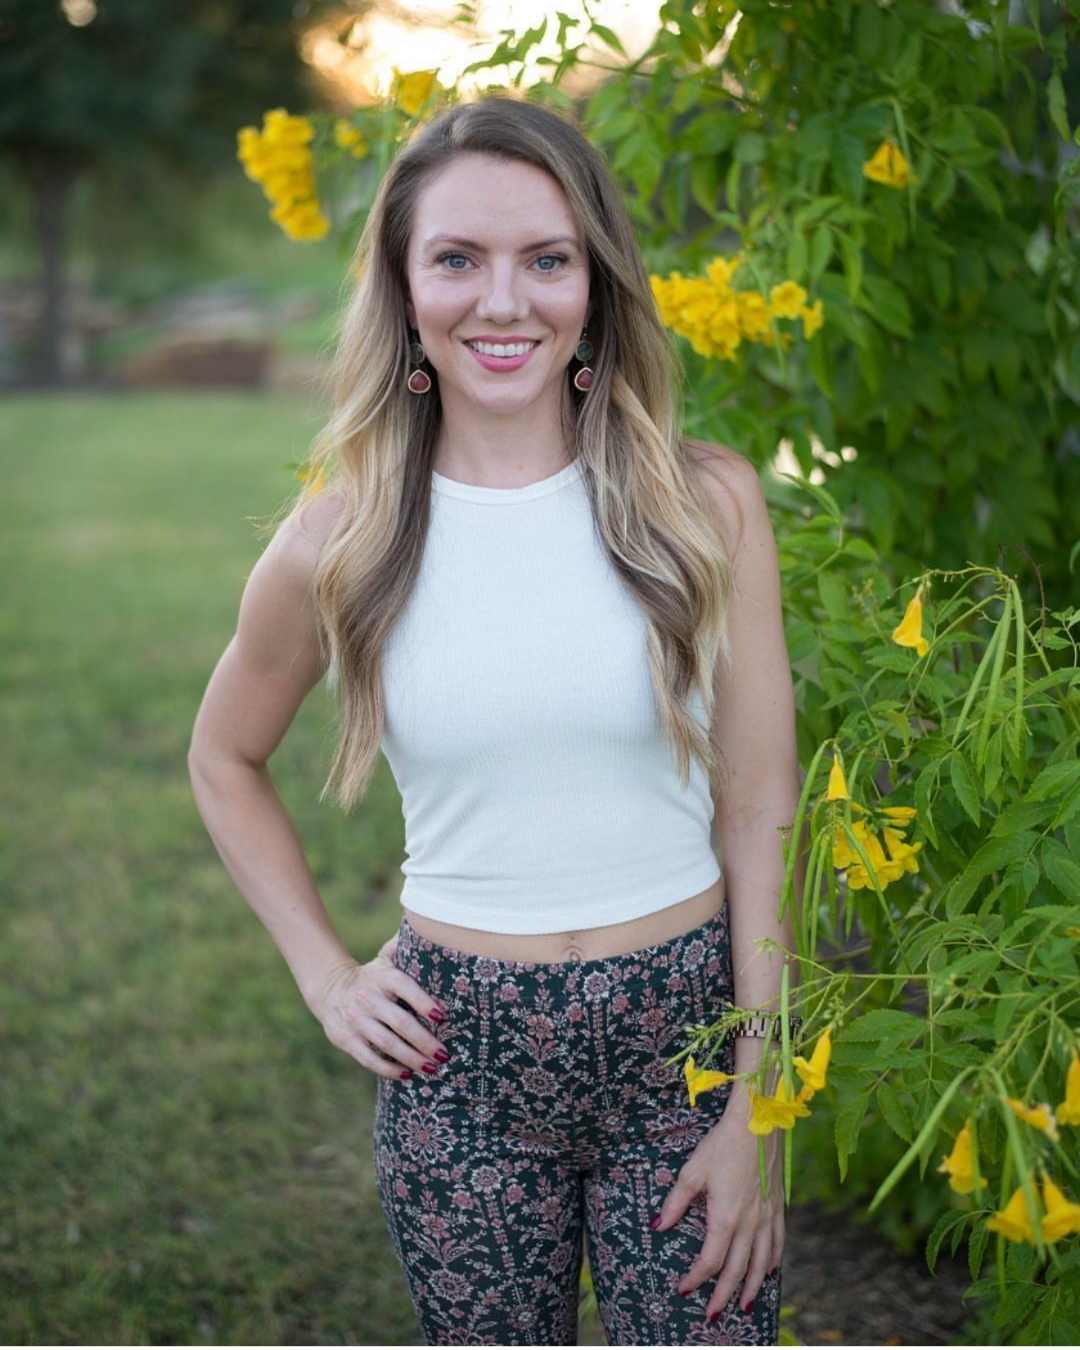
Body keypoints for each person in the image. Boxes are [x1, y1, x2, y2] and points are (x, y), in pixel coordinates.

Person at [188, 94, 804, 1346]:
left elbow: (761, 809)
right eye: (459, 259)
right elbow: (223, 756)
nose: (505, 302)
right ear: (406, 289)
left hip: (687, 1043)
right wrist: (325, 977)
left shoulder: (706, 506)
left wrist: (762, 1103)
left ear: (597, 284)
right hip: (458, 1062)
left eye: (547, 259)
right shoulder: (342, 537)